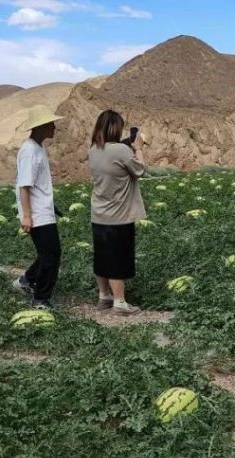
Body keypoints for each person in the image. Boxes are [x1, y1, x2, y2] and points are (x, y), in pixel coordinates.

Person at [88, 110, 147, 315]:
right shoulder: (121, 152)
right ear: (115, 127)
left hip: (99, 213)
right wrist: (138, 148)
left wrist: (125, 146)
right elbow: (139, 170)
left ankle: (104, 296)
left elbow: (111, 158)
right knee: (118, 258)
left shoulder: (93, 150)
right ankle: (120, 302)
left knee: (102, 256)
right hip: (119, 216)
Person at [13, 105, 63, 310]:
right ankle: (40, 299)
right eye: (51, 123)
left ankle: (26, 281)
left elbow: (37, 184)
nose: (54, 127)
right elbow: (24, 185)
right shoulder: (28, 151)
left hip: (43, 210)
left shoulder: (38, 147)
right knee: (51, 256)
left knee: (49, 253)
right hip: (36, 214)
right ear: (41, 126)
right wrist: (26, 216)